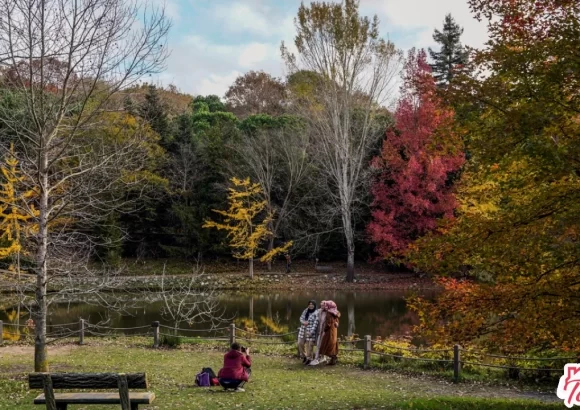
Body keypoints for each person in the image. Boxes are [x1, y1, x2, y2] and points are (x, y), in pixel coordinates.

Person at [319, 300, 340, 365]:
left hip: (329, 332)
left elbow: (328, 324)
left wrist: (324, 330)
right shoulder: (335, 312)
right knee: (332, 344)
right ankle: (333, 359)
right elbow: (337, 321)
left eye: (326, 305)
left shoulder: (329, 313)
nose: (325, 306)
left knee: (326, 345)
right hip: (334, 330)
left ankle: (333, 358)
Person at [309, 300, 328, 366]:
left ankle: (323, 357)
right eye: (321, 305)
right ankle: (316, 359)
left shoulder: (329, 312)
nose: (322, 306)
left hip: (326, 332)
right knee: (318, 345)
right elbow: (314, 319)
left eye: (323, 305)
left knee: (324, 345)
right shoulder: (319, 311)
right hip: (320, 331)